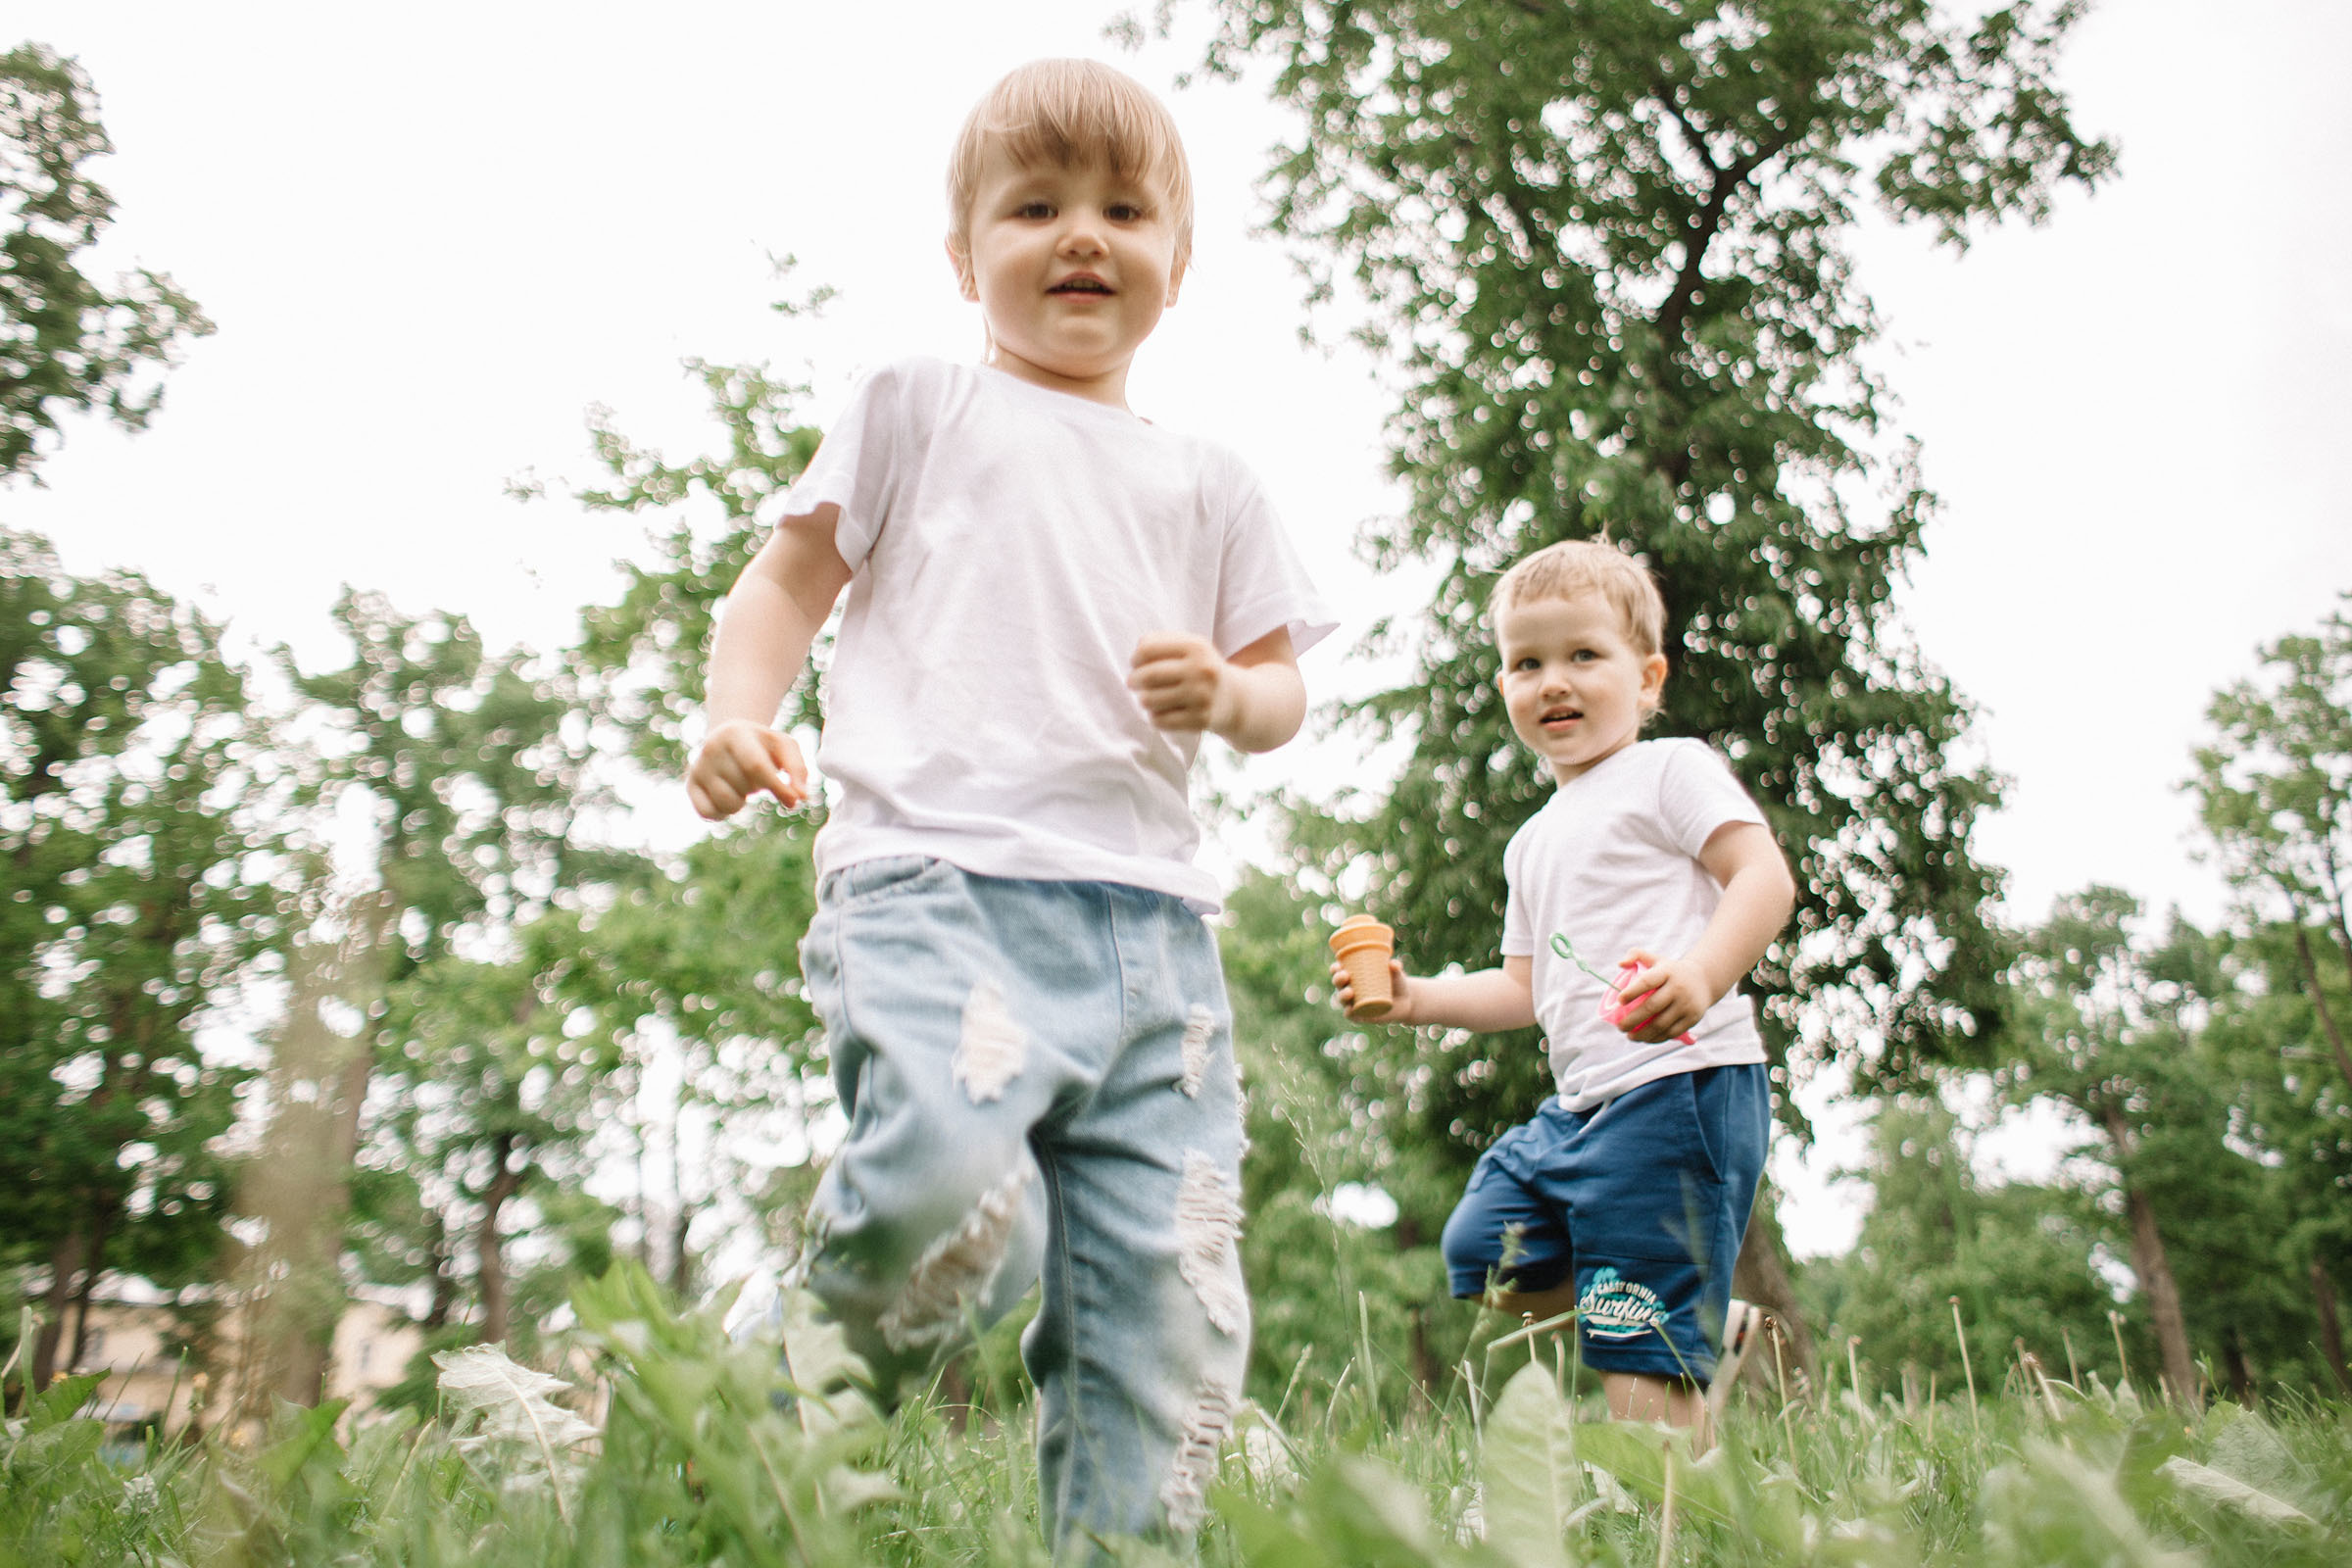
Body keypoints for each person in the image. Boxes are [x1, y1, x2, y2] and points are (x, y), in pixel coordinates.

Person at [686, 58, 1333, 1555]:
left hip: (1156, 948)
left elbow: (1282, 689)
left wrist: (1231, 699)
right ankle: (755, 1433)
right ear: (965, 257)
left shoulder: (1211, 482)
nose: (1082, 235)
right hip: (940, 894)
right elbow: (785, 583)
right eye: (1035, 207)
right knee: (957, 1195)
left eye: (1124, 210)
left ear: (1180, 262)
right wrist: (736, 718)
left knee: (1173, 1297)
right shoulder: (920, 406)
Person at [1331, 538, 1794, 1443]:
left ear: (1647, 678)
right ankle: (1686, 1310)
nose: (1554, 682)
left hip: (1678, 1088)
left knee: (1635, 1356)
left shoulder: (1669, 770)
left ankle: (1667, 1493)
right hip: (1582, 1109)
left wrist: (1702, 974)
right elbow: (1525, 989)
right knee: (1484, 1250)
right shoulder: (1532, 840)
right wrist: (1417, 998)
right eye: (1527, 663)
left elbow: (1764, 877)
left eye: (1584, 655)